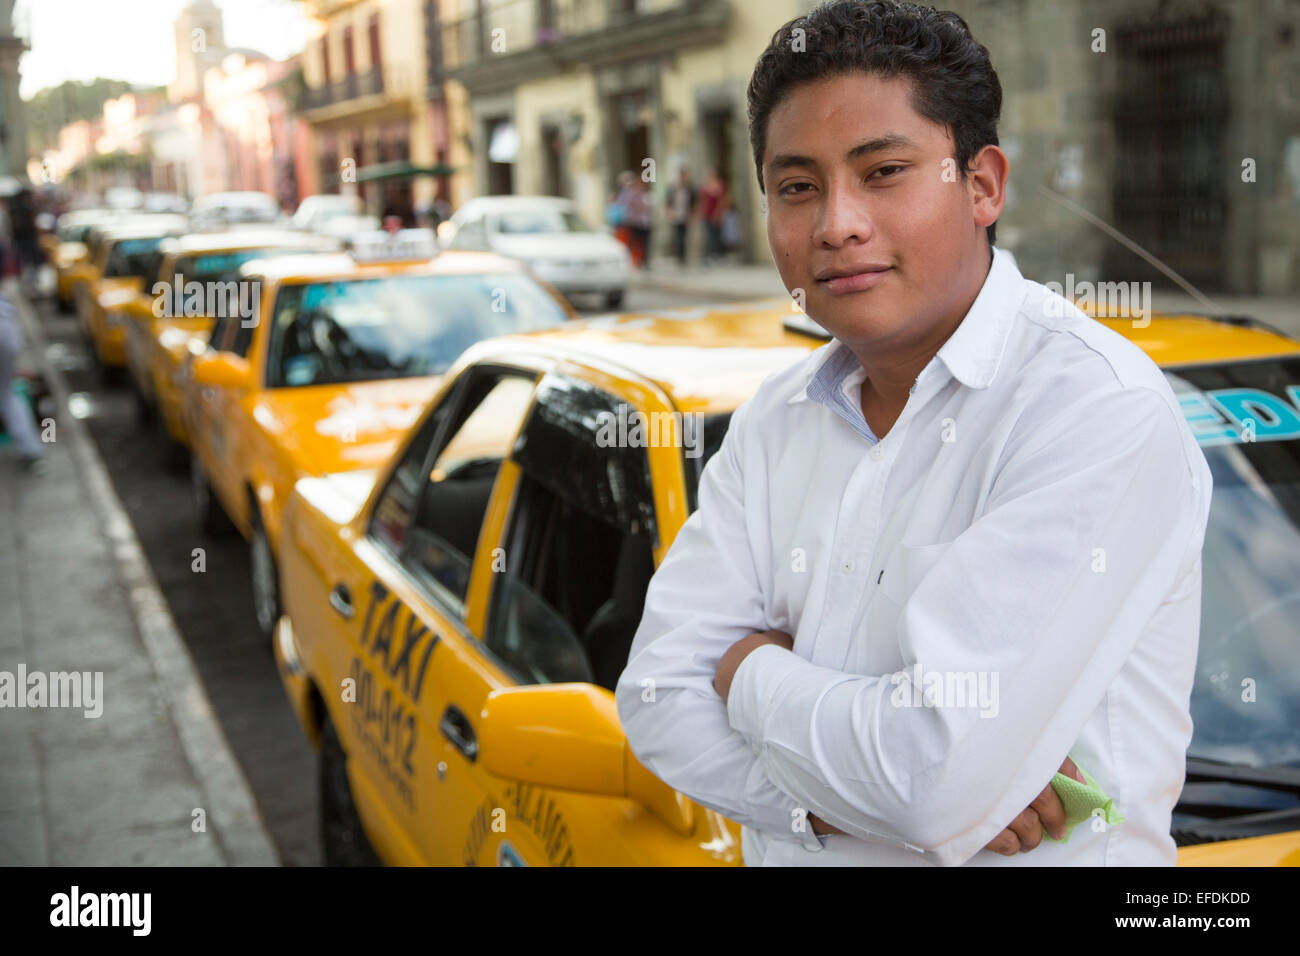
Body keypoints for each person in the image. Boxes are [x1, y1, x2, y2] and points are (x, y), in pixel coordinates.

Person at [616, 0, 1212, 867]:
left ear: (982, 186)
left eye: (884, 171)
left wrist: (745, 667)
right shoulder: (774, 421)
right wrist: (839, 807)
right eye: (796, 187)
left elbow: (930, 780)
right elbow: (657, 696)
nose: (836, 224)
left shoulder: (1092, 409)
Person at [0, 293, 45, 471]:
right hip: (8, 326)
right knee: (7, 394)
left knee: (6, 394)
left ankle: (32, 450)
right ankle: (33, 452)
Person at [666, 167, 698, 266]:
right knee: (677, 238)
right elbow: (667, 202)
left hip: (685, 216)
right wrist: (669, 213)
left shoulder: (690, 189)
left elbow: (694, 203)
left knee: (684, 237)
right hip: (675, 216)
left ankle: (683, 257)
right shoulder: (672, 189)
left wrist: (692, 214)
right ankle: (678, 257)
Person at [698, 166, 729, 264]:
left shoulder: (720, 185)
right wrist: (701, 212)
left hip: (717, 215)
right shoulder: (705, 186)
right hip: (707, 215)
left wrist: (719, 214)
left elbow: (723, 201)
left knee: (718, 235)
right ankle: (710, 256)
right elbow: (702, 201)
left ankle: (719, 255)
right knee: (709, 236)